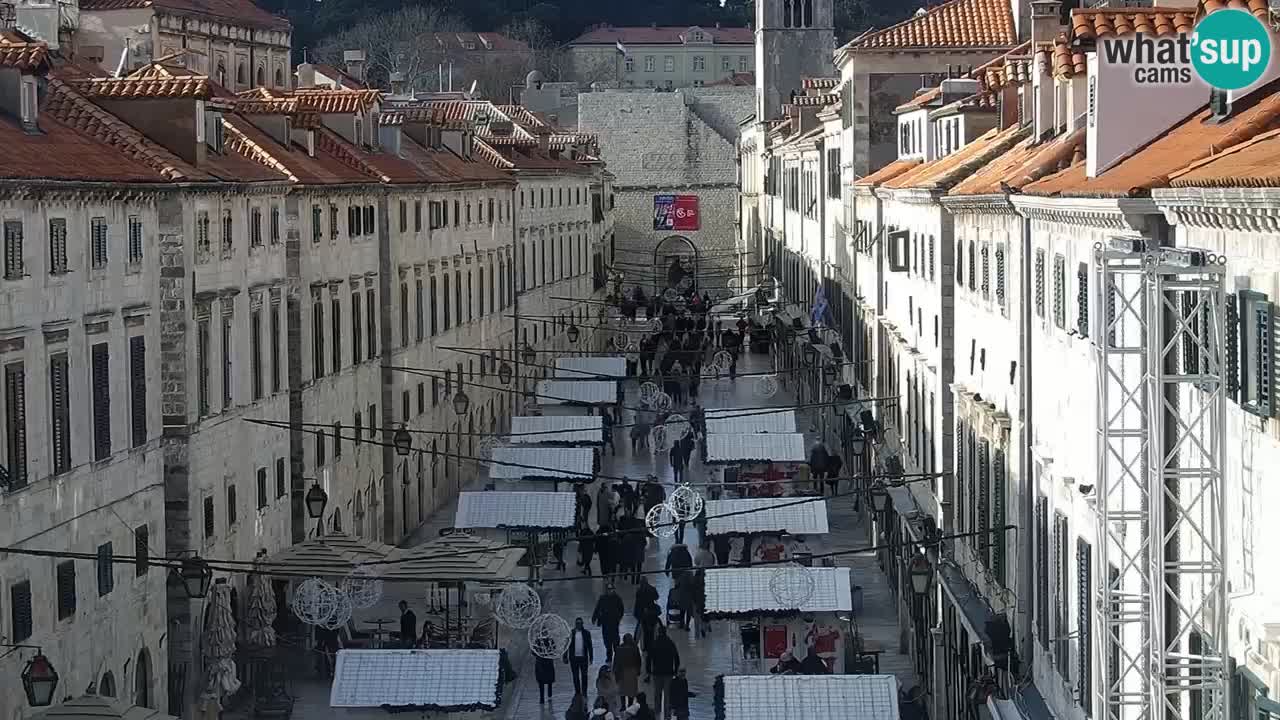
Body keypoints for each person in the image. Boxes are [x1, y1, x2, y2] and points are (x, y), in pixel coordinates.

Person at [647, 626, 680, 719]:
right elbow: (676, 658)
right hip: (668, 673)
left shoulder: (654, 643)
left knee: (657, 694)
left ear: (658, 632)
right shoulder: (670, 643)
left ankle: (657, 713)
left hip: (657, 673)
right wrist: (675, 670)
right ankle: (667, 715)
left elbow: (649, 658)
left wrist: (649, 670)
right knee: (668, 695)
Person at [592, 584, 626, 663]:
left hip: (614, 623)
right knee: (607, 641)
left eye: (611, 589)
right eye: (609, 589)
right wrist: (594, 617)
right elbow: (598, 608)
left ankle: (617, 655)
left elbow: (621, 609)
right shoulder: (603, 598)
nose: (610, 590)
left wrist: (618, 618)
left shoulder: (617, 598)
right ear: (606, 590)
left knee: (615, 640)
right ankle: (609, 657)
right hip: (605, 623)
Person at [565, 617, 595, 695]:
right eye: (577, 623)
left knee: (584, 675)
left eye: (580, 623)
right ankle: (577, 691)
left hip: (583, 658)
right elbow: (566, 646)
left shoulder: (586, 633)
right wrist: (565, 656)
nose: (578, 625)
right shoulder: (571, 633)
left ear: (582, 624)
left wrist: (591, 657)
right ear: (575, 624)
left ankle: (584, 691)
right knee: (575, 676)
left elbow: (590, 646)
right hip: (573, 658)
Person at [613, 634, 643, 708]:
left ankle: (623, 706)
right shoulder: (635, 648)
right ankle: (630, 705)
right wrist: (638, 670)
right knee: (631, 691)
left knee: (622, 690)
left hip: (622, 672)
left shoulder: (619, 648)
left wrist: (615, 672)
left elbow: (616, 661)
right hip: (632, 672)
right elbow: (638, 660)